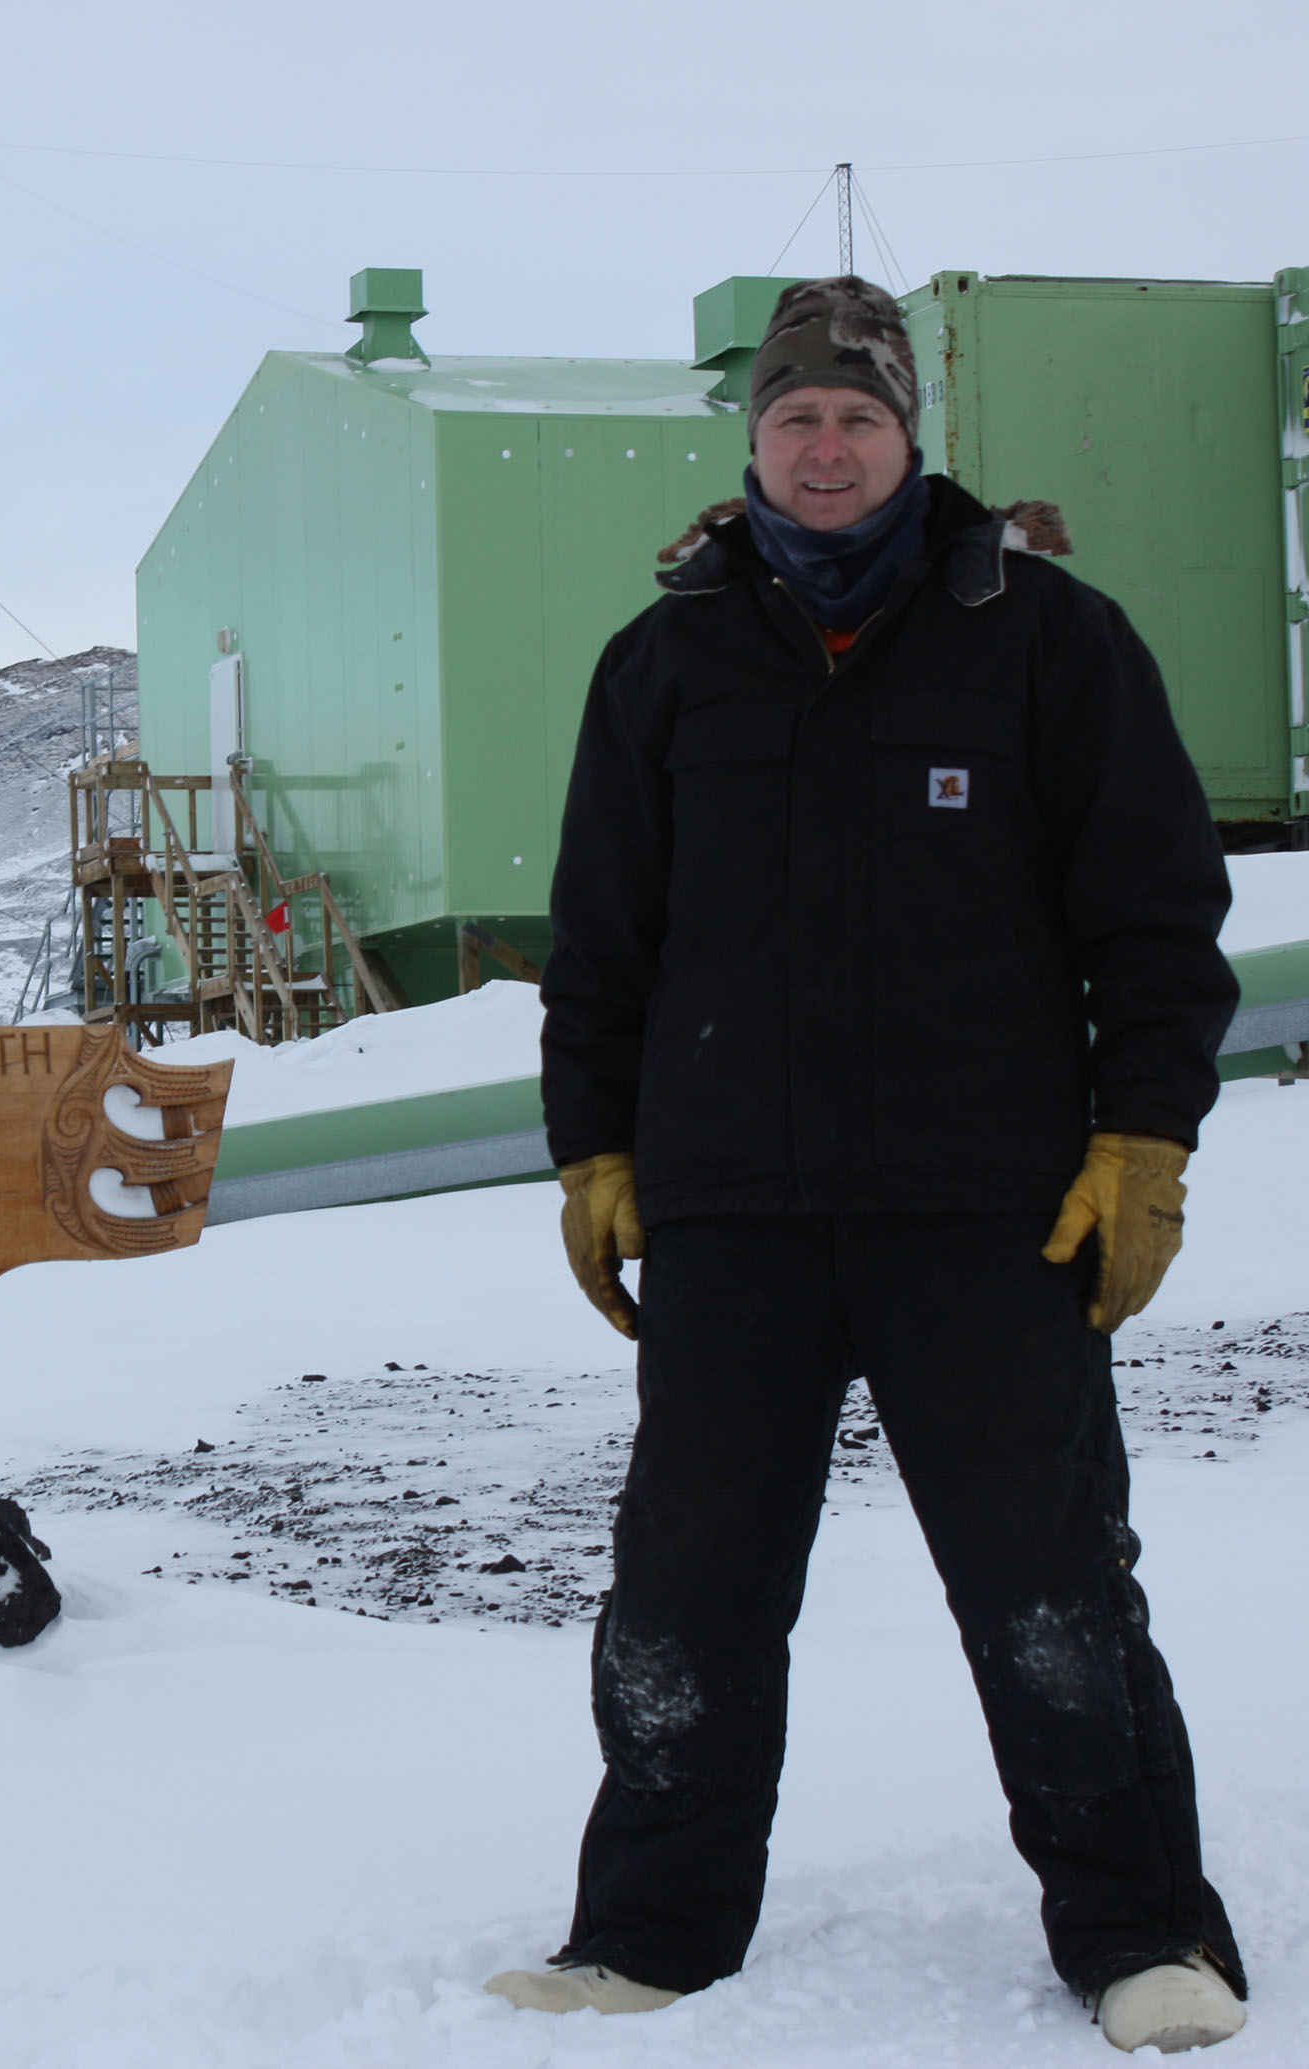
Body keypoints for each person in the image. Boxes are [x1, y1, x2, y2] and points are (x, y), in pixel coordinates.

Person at [489, 277, 1248, 2055]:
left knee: (1049, 1583)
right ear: (749, 442)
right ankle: (649, 1929)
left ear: (914, 439)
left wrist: (1144, 1136)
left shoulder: (1049, 640)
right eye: (795, 420)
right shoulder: (663, 664)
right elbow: (603, 945)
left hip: (987, 1211)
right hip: (735, 1214)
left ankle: (1146, 1932)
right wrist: (594, 1146)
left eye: (860, 419)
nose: (826, 448)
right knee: (686, 1587)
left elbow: (1155, 919)